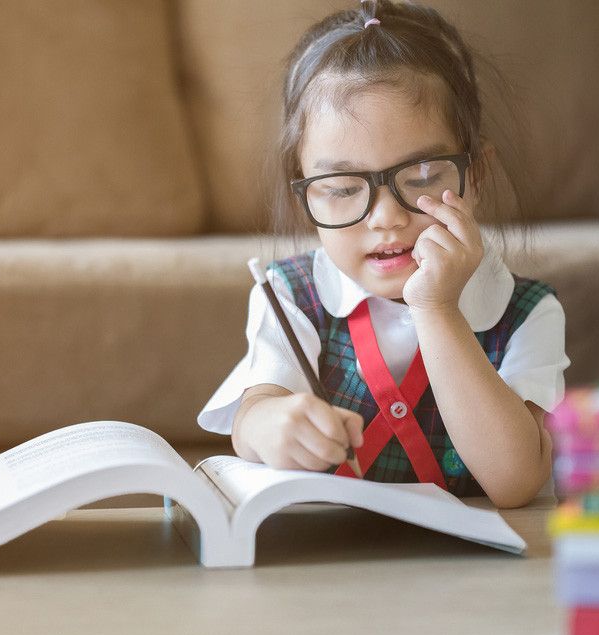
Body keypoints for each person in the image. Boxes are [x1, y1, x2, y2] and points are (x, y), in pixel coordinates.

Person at [198, 0, 569, 508]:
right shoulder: (292, 294)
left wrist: (436, 307)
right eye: (344, 187)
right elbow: (254, 414)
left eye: (420, 178)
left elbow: (514, 480)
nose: (385, 217)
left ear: (476, 175)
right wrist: (271, 425)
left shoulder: (527, 312)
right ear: (303, 196)